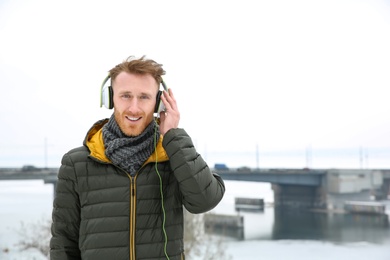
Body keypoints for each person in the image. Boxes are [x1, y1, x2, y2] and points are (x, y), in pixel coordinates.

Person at [49, 55, 225, 260]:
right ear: (109, 98)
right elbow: (63, 243)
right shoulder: (76, 164)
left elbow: (205, 201)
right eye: (125, 96)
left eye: (144, 97)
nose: (134, 108)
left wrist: (172, 137)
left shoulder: (173, 155)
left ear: (159, 102)